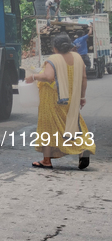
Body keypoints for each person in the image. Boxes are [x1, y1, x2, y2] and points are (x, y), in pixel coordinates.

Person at [25, 33, 95, 169]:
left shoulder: (54, 59)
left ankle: (46, 160)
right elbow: (84, 78)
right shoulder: (77, 58)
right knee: (74, 125)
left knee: (48, 128)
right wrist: (82, 97)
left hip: (52, 100)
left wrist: (33, 76)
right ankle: (83, 149)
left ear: (54, 48)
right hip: (72, 99)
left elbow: (48, 76)